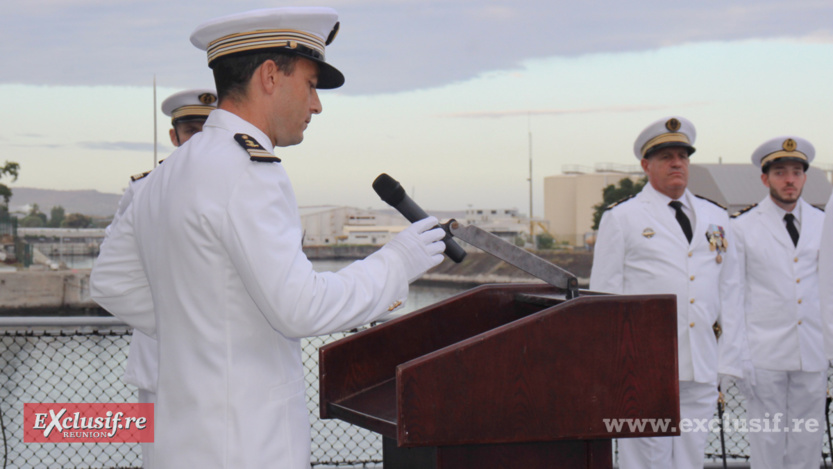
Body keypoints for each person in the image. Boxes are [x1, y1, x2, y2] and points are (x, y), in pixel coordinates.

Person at [90, 7, 446, 468]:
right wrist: (397, 261)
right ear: (271, 76)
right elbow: (302, 307)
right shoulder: (249, 171)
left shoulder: (165, 175)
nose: (316, 105)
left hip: (180, 441)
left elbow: (112, 282)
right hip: (245, 443)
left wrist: (201, 331)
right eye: (311, 85)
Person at [589, 116, 745, 469]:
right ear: (646, 165)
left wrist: (729, 359)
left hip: (702, 362)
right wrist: (613, 365)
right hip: (643, 364)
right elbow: (604, 299)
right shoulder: (623, 217)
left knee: (690, 458)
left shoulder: (715, 215)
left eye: (682, 156)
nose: (677, 163)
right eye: (666, 157)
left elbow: (731, 291)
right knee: (645, 459)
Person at [107, 88, 217, 469]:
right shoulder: (143, 190)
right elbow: (117, 275)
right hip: (161, 360)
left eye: (208, 129)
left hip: (224, 362)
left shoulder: (238, 187)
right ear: (174, 137)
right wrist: (175, 325)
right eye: (191, 130)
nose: (199, 139)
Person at [731, 136, 825, 469]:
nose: (789, 180)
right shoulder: (742, 228)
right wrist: (738, 357)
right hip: (764, 353)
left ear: (804, 177)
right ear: (765, 178)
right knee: (767, 442)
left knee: (807, 442)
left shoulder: (822, 223)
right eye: (781, 172)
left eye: (797, 172)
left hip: (811, 350)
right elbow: (733, 296)